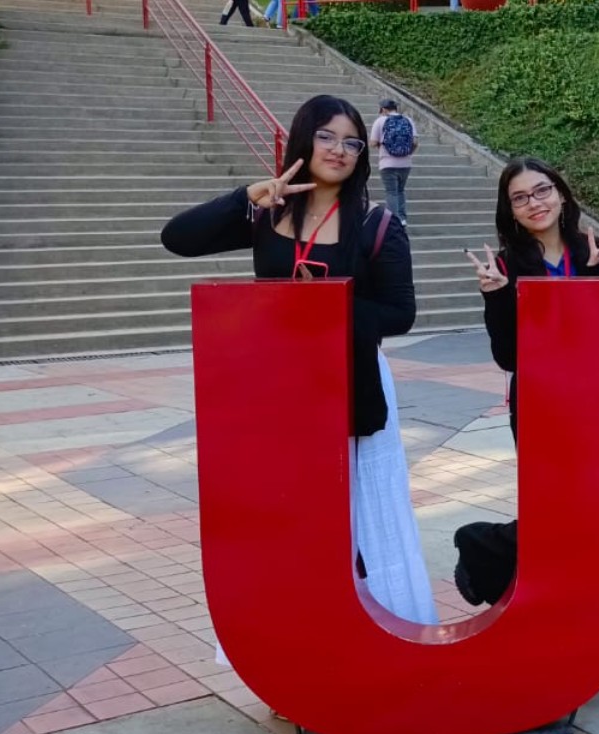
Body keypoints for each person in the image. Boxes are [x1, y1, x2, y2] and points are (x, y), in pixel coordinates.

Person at [161, 94, 438, 628]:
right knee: (291, 522)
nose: (340, 150)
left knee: (361, 523)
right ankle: (298, 644)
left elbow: (400, 314)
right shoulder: (268, 212)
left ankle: (377, 635)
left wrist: (328, 305)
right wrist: (247, 194)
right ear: (304, 138)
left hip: (353, 391)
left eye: (353, 141)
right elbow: (176, 238)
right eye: (328, 137)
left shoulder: (377, 224)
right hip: (280, 391)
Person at [452, 158, 599, 607]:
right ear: (510, 211)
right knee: (554, 504)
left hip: (592, 402)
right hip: (538, 401)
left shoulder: (594, 250)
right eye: (521, 198)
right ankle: (529, 584)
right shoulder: (505, 265)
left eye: (542, 190)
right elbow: (507, 355)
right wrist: (494, 297)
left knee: (591, 503)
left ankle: (483, 547)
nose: (535, 203)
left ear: (561, 194)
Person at [370, 99, 417, 225]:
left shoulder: (380, 121)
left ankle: (393, 221)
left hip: (387, 163)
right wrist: (408, 153)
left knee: (391, 191)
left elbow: (373, 142)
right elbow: (415, 142)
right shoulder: (408, 120)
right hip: (406, 164)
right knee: (400, 190)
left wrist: (381, 145)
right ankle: (402, 218)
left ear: (383, 109)